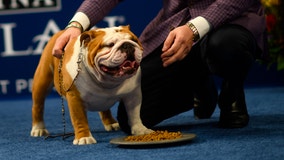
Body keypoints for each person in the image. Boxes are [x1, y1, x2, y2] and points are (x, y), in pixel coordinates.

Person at [52, 0, 267, 134]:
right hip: (174, 27)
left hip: (233, 22)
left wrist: (194, 28)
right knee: (132, 121)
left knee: (226, 46)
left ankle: (232, 93)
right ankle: (199, 84)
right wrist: (76, 24)